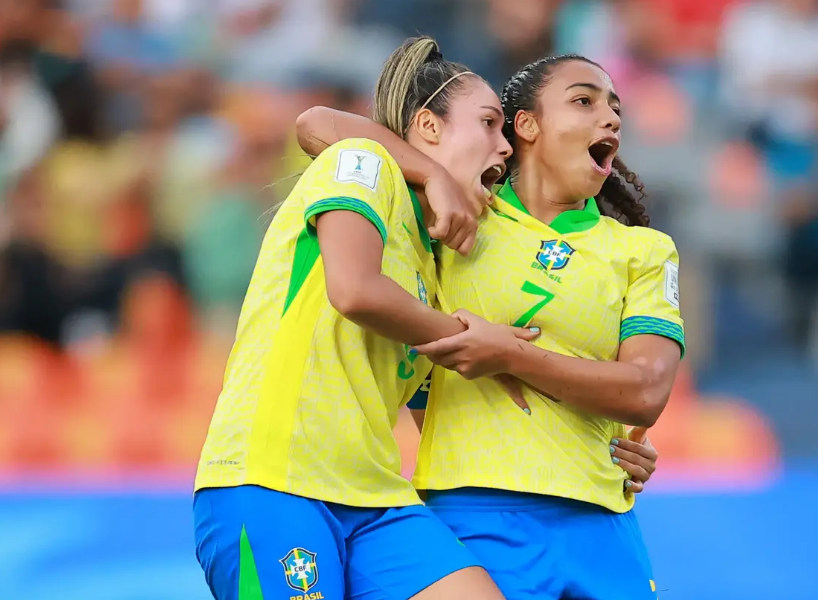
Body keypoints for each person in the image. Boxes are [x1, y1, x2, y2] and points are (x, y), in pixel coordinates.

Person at [297, 53, 682, 599]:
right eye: (584, 100)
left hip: (602, 519)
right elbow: (316, 125)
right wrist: (431, 173)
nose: (611, 117)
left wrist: (512, 357)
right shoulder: (458, 214)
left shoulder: (644, 250)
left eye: (615, 108)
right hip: (469, 513)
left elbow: (645, 392)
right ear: (526, 125)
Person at [192, 37, 527, 600]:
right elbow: (354, 290)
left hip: (373, 496)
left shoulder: (436, 259)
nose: (505, 147)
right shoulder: (366, 165)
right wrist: (478, 342)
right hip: (274, 481)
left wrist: (603, 446)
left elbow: (441, 410)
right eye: (491, 123)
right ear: (428, 126)